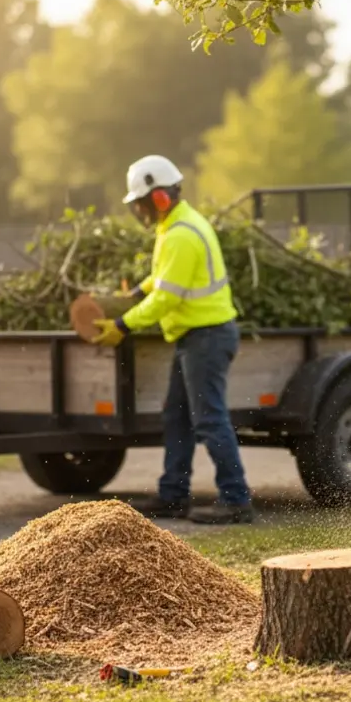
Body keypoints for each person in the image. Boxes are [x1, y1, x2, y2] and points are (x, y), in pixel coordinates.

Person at [91, 155, 254, 525]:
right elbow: (161, 280)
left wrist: (123, 323)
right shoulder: (176, 225)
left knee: (209, 419)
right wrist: (136, 292)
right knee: (177, 416)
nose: (140, 211)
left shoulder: (181, 234)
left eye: (141, 203)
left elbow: (167, 298)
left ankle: (236, 499)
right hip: (194, 336)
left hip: (207, 337)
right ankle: (173, 496)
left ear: (159, 198)